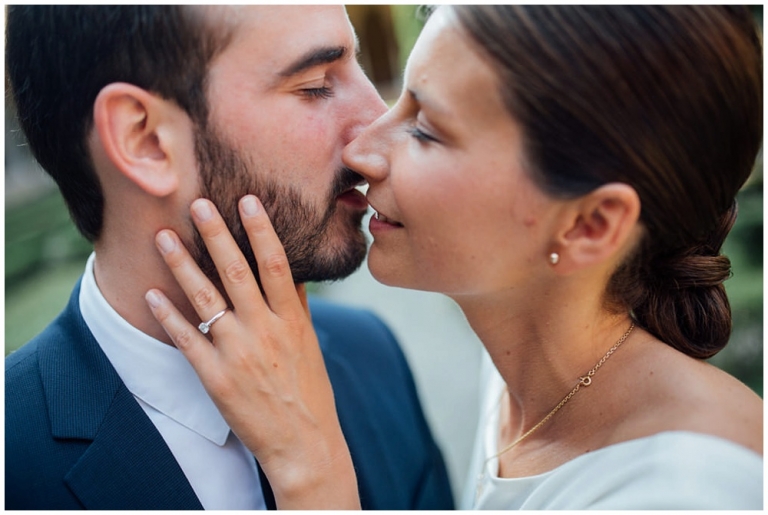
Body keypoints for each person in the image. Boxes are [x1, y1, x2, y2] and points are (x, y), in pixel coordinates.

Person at [147, 4, 764, 510]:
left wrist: (314, 477)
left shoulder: (691, 493)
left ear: (589, 225)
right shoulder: (516, 381)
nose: (363, 148)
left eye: (426, 130)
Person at [4, 5, 454, 510]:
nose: (376, 129)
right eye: (315, 85)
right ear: (145, 140)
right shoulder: (13, 460)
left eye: (361, 64)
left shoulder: (371, 353)